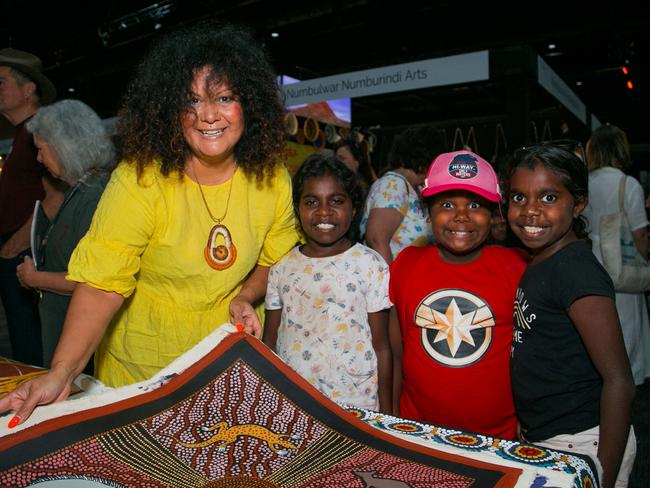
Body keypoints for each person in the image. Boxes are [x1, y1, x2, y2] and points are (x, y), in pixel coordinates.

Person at [0, 22, 300, 426]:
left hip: (228, 363)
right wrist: (63, 372)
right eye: (191, 101)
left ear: (249, 104)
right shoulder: (140, 178)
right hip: (142, 369)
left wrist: (245, 296)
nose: (208, 115)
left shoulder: (273, 178)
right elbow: (102, 283)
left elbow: (274, 258)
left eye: (224, 97)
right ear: (170, 110)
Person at [508, 144, 636, 488]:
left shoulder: (576, 272)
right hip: (548, 435)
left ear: (577, 204)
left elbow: (619, 379)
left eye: (548, 198)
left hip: (583, 443)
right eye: (518, 198)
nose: (530, 211)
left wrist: (601, 475)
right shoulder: (541, 259)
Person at [389, 150, 527, 439]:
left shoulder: (517, 267)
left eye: (475, 204)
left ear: (493, 215)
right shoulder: (406, 264)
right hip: (418, 431)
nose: (461, 216)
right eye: (447, 204)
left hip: (498, 438)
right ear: (428, 212)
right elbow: (397, 352)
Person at [263, 154, 392, 412]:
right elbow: (269, 344)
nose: (324, 211)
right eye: (311, 201)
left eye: (336, 201)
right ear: (297, 209)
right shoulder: (281, 269)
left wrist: (388, 416)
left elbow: (382, 347)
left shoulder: (371, 265)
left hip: (357, 406)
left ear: (354, 209)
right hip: (295, 403)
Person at [16, 100, 116, 370]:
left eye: (41, 150)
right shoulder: (82, 189)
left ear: (63, 147)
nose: (39, 159)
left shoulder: (95, 196)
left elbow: (95, 281)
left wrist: (35, 278)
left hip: (79, 350)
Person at [0, 48, 57, 366]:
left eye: (1, 82)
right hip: (18, 254)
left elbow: (57, 197)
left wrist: (12, 248)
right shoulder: (24, 134)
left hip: (27, 256)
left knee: (33, 345)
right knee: (26, 342)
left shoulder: (42, 128)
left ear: (28, 88)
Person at [582, 124, 650, 386]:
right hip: (621, 268)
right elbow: (640, 235)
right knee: (627, 334)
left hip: (590, 266)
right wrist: (642, 262)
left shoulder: (584, 185)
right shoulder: (628, 184)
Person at [360, 125, 446, 264]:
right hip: (392, 280)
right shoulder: (393, 185)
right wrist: (390, 282)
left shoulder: (416, 187)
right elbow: (376, 239)